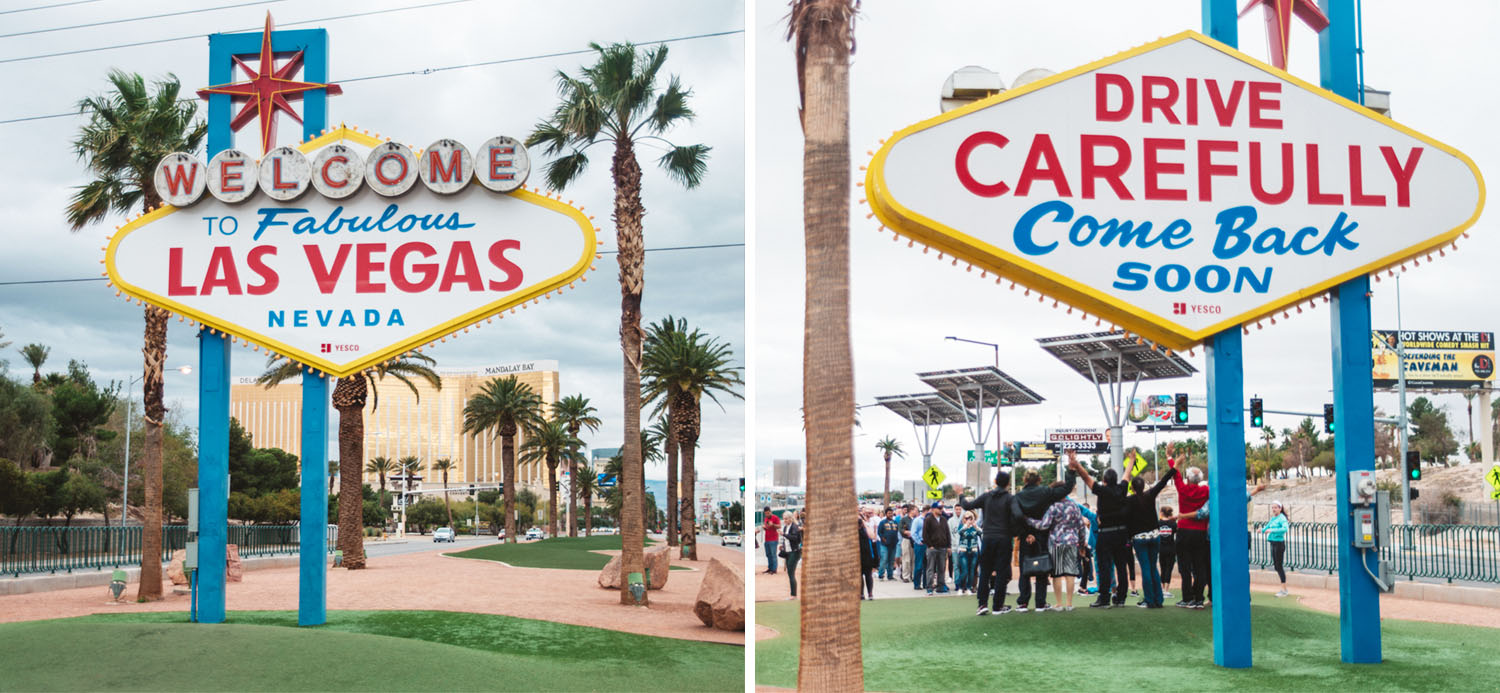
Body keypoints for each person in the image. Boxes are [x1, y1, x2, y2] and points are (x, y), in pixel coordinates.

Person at [1011, 453, 1080, 612]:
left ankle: (1023, 602)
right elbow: (1067, 488)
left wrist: (1026, 533)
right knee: (1042, 568)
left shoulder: (1018, 496)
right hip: (1042, 536)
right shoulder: (1046, 492)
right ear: (1040, 479)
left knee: (1024, 570)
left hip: (1025, 536)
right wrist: (1071, 470)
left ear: (1025, 480)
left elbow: (1016, 516)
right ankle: (1040, 603)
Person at [1069, 458, 1130, 608]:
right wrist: (1131, 461)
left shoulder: (1102, 490)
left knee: (1104, 566)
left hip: (1106, 534)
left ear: (1104, 481)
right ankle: (1121, 598)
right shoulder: (1122, 489)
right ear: (1116, 480)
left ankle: (1104, 599)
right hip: (1121, 533)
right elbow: (1127, 476)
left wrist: (1076, 464)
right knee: (1121, 566)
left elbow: (1086, 477)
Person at [957, 469, 1018, 615]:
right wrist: (1014, 531)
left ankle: (982, 604)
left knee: (985, 572)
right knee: (1002, 573)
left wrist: (960, 493)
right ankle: (998, 606)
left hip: (988, 538)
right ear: (1008, 483)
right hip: (1003, 538)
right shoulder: (1010, 499)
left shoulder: (986, 497)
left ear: (995, 482)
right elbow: (1018, 515)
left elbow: (967, 505)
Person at [1025, 486, 1088, 611]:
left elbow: (1044, 525)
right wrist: (1081, 544)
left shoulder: (1053, 507)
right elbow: (1081, 526)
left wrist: (1028, 520)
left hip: (1056, 542)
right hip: (1072, 542)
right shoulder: (1074, 506)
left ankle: (1059, 603)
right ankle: (1069, 604)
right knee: (1070, 573)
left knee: (1057, 574)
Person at [1124, 468, 1177, 608]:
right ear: (1144, 486)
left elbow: (1127, 520)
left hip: (1139, 538)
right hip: (1154, 536)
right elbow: (1163, 481)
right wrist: (1174, 466)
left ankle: (1149, 599)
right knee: (1153, 567)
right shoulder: (1150, 495)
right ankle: (1158, 599)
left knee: (1146, 569)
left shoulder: (1129, 501)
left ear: (1133, 488)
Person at [1169, 445, 1211, 609]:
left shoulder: (1183, 489)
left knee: (1184, 567)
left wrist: (1172, 459)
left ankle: (1187, 597)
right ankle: (1198, 597)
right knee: (1199, 565)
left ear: (1188, 479)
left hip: (1184, 530)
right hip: (1200, 532)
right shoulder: (1205, 490)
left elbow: (1174, 474)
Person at [923, 502, 952, 595]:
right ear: (933, 509)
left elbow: (947, 533)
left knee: (941, 568)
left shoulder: (943, 519)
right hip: (932, 548)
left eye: (941, 508)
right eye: (939, 508)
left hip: (942, 547)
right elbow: (925, 534)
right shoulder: (928, 519)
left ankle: (940, 586)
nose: (941, 510)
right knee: (930, 568)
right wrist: (930, 545)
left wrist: (948, 546)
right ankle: (929, 587)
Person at [1262, 501, 1290, 597]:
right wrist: (1262, 530)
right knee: (1276, 566)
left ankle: (1284, 590)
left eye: (1275, 507)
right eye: (1272, 507)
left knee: (1279, 566)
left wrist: (1271, 530)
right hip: (1273, 543)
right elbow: (1268, 526)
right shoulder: (1274, 518)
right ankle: (1283, 589)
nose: (1273, 509)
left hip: (1279, 544)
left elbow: (1285, 529)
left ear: (1280, 508)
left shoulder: (1282, 518)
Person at [955, 511, 981, 593]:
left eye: (971, 518)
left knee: (972, 571)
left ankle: (969, 587)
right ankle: (961, 587)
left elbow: (981, 533)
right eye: (967, 518)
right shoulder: (962, 526)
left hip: (974, 550)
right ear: (964, 519)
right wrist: (966, 525)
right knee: (964, 571)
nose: (969, 519)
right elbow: (959, 532)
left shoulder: (975, 526)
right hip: (964, 551)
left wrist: (976, 526)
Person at [1077, 502, 1098, 595]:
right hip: (1084, 546)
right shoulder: (1080, 523)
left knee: (1087, 567)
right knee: (1086, 566)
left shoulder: (1087, 524)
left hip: (1087, 546)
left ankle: (1083, 586)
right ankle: (1082, 587)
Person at [858, 509, 878, 599]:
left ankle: (870, 593)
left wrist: (864, 524)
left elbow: (872, 536)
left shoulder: (866, 529)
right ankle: (861, 594)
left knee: (868, 574)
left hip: (867, 555)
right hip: (857, 555)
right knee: (859, 575)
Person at [782, 511, 803, 598]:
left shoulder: (794, 527)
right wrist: (782, 546)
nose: (785, 520)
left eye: (786, 519)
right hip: (787, 552)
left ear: (791, 518)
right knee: (789, 572)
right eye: (784, 519)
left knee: (791, 572)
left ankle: (793, 594)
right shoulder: (785, 527)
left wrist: (784, 535)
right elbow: (785, 539)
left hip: (794, 552)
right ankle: (793, 594)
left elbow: (795, 538)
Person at [1158, 506, 1178, 599]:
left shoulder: (1158, 523)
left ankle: (1162, 589)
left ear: (1162, 513)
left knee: (1162, 568)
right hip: (1171, 548)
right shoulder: (1173, 524)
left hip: (1161, 548)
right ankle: (1166, 590)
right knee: (1168, 569)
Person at [877, 507, 901, 580]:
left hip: (893, 544)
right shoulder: (882, 522)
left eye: (891, 513)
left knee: (891, 560)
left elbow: (897, 532)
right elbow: (879, 532)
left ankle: (890, 576)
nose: (890, 514)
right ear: (886, 514)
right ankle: (881, 575)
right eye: (889, 513)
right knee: (884, 559)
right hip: (884, 545)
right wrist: (884, 539)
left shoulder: (895, 522)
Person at [910, 504, 927, 591]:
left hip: (928, 544)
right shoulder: (917, 520)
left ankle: (925, 583)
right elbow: (913, 532)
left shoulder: (928, 520)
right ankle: (917, 584)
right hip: (920, 543)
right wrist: (918, 541)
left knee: (927, 565)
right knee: (919, 564)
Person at [898, 504, 915, 583]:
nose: (916, 512)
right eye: (915, 510)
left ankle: (913, 575)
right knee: (906, 558)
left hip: (914, 540)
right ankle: (906, 576)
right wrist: (905, 532)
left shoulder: (916, 519)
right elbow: (900, 529)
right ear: (911, 511)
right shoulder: (904, 519)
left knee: (913, 559)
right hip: (906, 540)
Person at [762, 507, 781, 575]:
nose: (767, 514)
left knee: (773, 554)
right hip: (767, 539)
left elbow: (779, 526)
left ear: (770, 511)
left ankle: (774, 569)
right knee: (768, 554)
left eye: (768, 513)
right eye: (765, 513)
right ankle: (770, 568)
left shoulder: (775, 517)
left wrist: (773, 525)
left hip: (773, 539)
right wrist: (765, 527)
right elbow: (767, 527)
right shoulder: (766, 519)